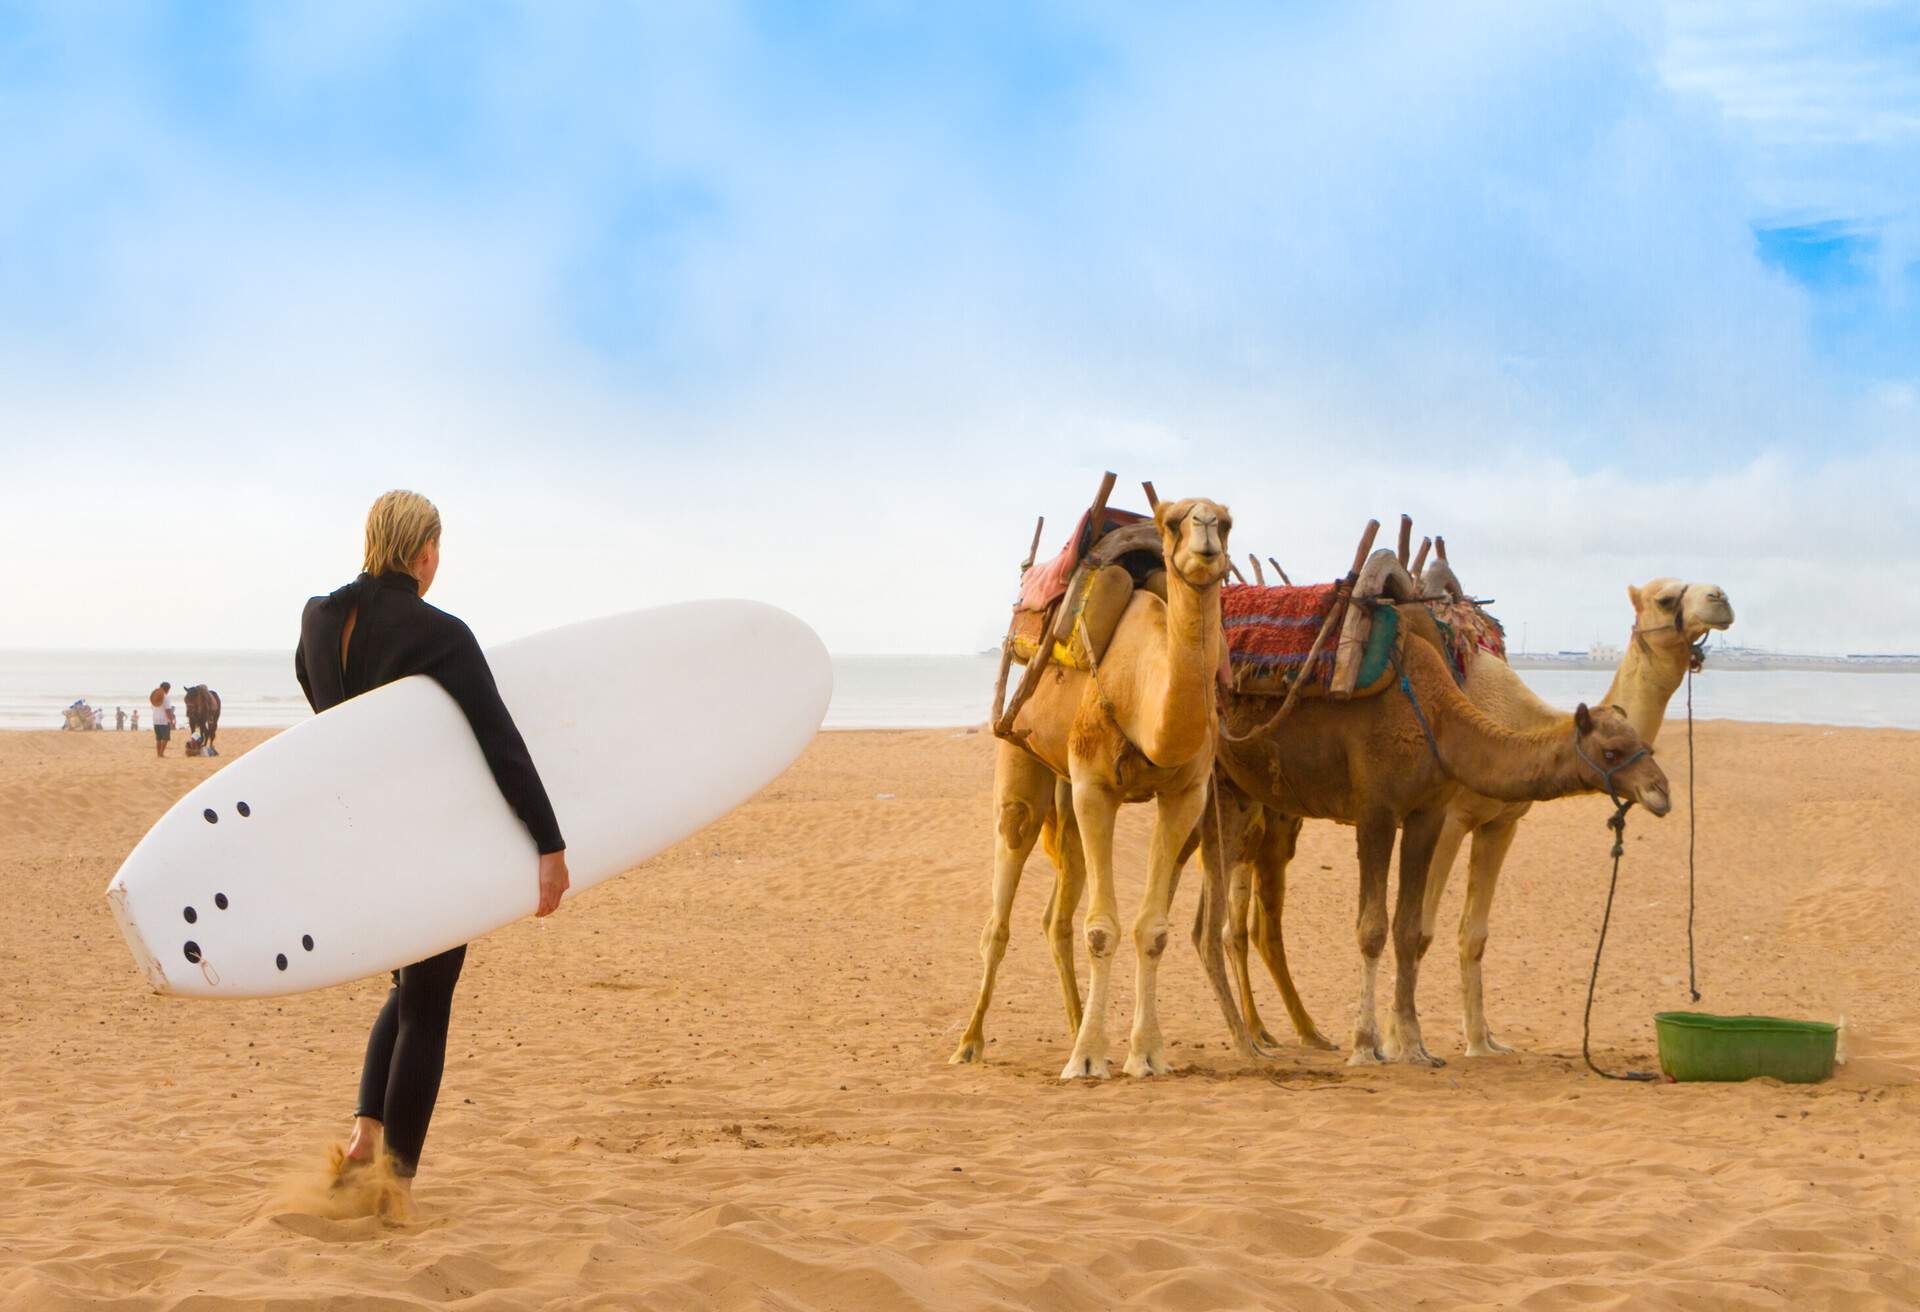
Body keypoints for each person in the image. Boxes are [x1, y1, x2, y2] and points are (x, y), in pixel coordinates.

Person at [294, 489, 569, 1211]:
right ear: (423, 552)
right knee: (430, 999)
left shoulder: (319, 620)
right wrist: (548, 842)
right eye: (437, 551)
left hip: (359, 839)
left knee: (409, 988)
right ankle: (395, 1182)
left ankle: (363, 1140)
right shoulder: (440, 633)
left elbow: (322, 717)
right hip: (424, 839)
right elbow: (499, 741)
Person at [150, 683, 174, 757]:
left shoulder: (155, 697)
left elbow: (152, 707)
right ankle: (161, 753)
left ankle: (158, 754)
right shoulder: (166, 697)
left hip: (155, 719)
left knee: (158, 738)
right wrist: (171, 720)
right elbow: (168, 710)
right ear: (167, 689)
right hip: (164, 720)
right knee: (165, 738)